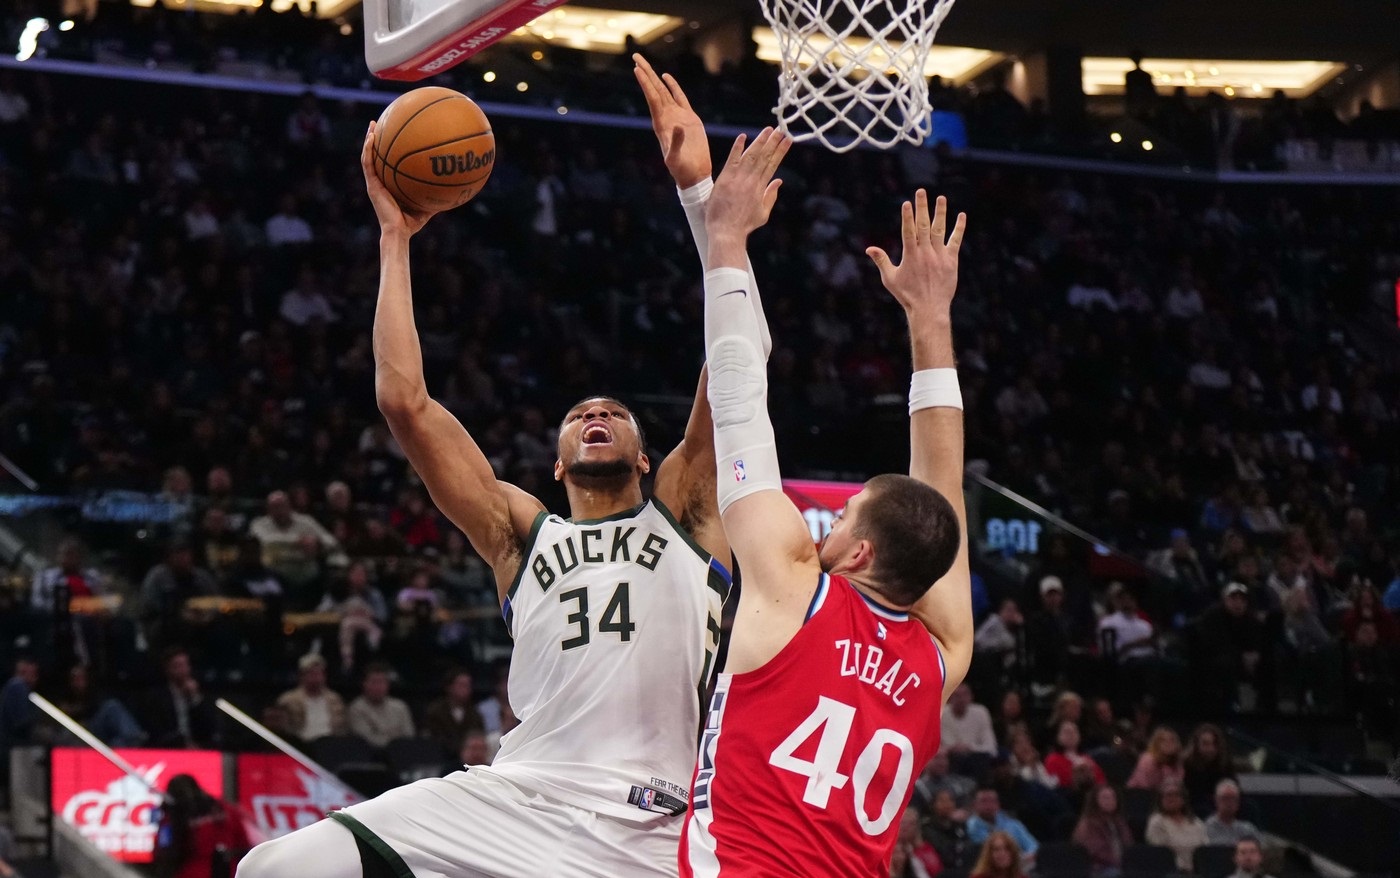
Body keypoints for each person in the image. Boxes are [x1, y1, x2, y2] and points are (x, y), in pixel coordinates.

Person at [240, 60, 732, 878]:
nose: (595, 415)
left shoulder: (684, 511)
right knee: (274, 869)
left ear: (648, 456)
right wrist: (396, 239)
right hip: (520, 797)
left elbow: (737, 361)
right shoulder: (519, 533)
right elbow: (406, 402)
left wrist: (702, 201)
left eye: (613, 413)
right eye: (579, 415)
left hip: (655, 820)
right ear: (557, 458)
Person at [676, 124, 972, 875]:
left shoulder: (791, 592)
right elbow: (941, 499)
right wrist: (929, 321)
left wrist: (727, 240)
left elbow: (739, 405)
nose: (827, 529)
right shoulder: (943, 658)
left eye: (841, 519)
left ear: (862, 552)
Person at [154, 773, 251, 878]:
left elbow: (163, 852)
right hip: (227, 871)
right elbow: (244, 846)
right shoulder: (225, 810)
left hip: (188, 873)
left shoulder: (171, 818)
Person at [143, 648, 219, 750]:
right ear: (168, 669)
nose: (183, 670)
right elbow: (157, 730)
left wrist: (195, 698)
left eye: (185, 665)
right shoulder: (157, 697)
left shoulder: (202, 694)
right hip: (170, 748)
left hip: (198, 748)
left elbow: (210, 727)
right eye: (177, 666)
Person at [274, 654, 346, 743]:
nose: (316, 676)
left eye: (319, 673)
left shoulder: (335, 699)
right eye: (311, 673)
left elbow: (342, 730)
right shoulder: (287, 700)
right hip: (301, 746)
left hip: (330, 746)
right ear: (301, 676)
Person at [1144, 778, 1208, 871]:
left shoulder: (1196, 822)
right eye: (1167, 795)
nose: (1171, 799)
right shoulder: (1156, 822)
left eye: (1175, 795)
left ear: (1183, 799)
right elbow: (1160, 855)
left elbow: (1204, 850)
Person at [346, 663, 414, 750]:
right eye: (374, 682)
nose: (378, 687)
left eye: (382, 682)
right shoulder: (356, 708)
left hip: (401, 753)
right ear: (364, 684)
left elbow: (409, 735)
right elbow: (365, 739)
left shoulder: (400, 706)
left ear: (388, 685)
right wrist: (394, 742)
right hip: (370, 755)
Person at [965, 790, 1038, 868]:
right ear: (975, 805)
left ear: (998, 804)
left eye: (992, 801)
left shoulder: (1013, 823)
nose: (988, 805)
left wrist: (1030, 854)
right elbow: (989, 848)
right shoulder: (971, 826)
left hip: (1021, 865)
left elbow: (1032, 845)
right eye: (984, 801)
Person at [1072, 785, 1134, 877]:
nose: (1110, 800)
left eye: (1113, 797)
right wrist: (1121, 863)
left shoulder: (1119, 822)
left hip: (1121, 865)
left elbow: (1129, 845)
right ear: (1095, 801)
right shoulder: (1088, 824)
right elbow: (1097, 852)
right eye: (1105, 798)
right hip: (1098, 868)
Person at [1182, 723, 1235, 814]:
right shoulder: (1187, 764)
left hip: (1221, 801)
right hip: (1196, 804)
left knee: (1249, 806)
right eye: (1206, 744)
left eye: (1214, 744)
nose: (1211, 748)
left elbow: (1233, 787)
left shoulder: (1224, 763)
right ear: (1196, 745)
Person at [1044, 721, 1105, 788]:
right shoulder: (1053, 759)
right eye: (1067, 732)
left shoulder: (1087, 758)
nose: (1071, 734)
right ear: (1058, 737)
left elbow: (1101, 781)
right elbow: (1054, 784)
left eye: (1075, 731)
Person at [941, 684, 998, 756]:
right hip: (948, 758)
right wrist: (952, 748)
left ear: (971, 697)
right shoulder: (940, 714)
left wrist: (970, 748)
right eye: (957, 696)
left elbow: (991, 747)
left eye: (965, 695)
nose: (961, 699)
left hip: (975, 757)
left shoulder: (981, 713)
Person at [1204, 779, 1260, 846]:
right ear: (1216, 800)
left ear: (1238, 802)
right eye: (1225, 798)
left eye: (1233, 798)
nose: (1229, 803)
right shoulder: (1205, 829)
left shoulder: (1248, 830)